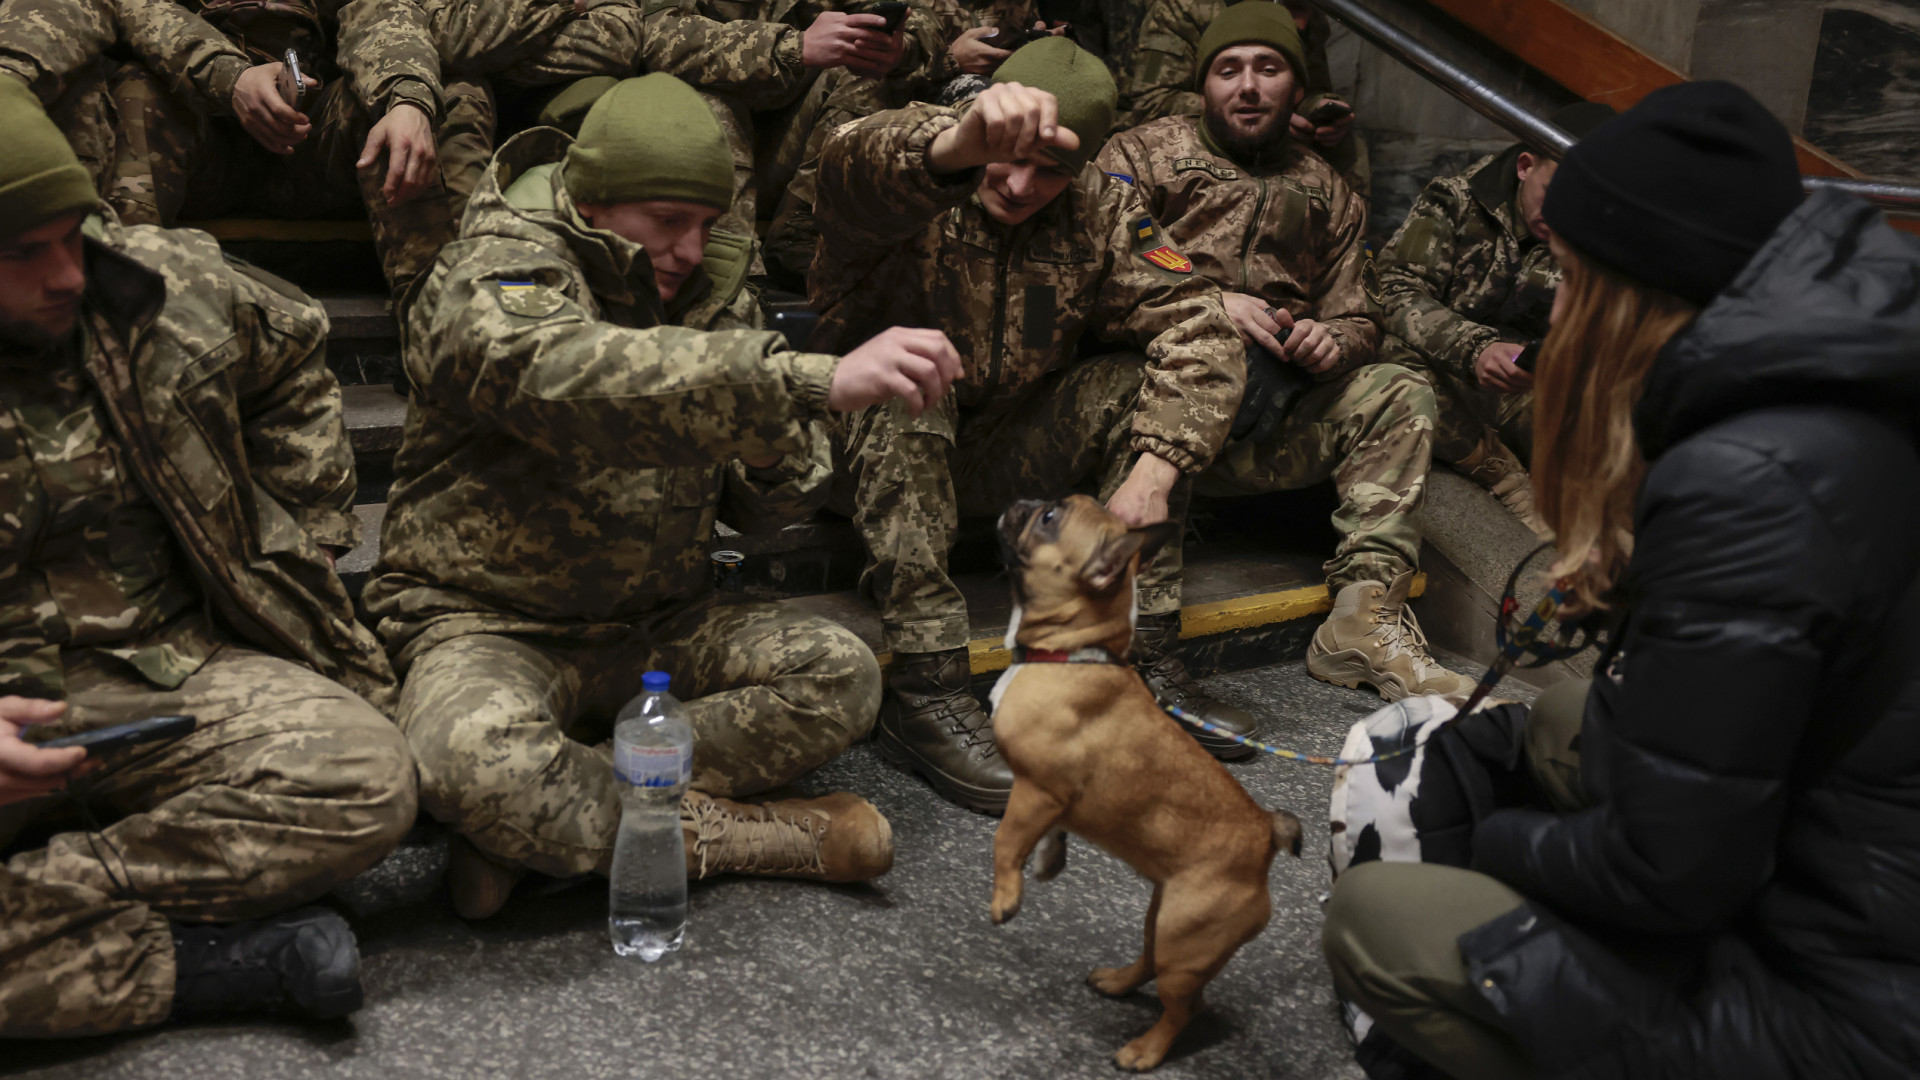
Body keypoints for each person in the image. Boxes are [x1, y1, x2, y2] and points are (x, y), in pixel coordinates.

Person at [1322, 81, 1920, 1079]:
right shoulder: (1842, 384)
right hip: (1855, 863)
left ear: (1640, 287)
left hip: (1853, 1009)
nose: (1557, 302)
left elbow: (1672, 871)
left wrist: (1493, 847)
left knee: (1384, 921)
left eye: (1568, 273)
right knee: (1558, 721)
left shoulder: (1750, 485)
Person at [365, 74, 961, 920]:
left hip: (656, 623)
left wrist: (766, 459)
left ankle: (539, 831)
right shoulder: (496, 267)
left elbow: (771, 506)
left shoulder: (711, 288)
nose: (690, 248)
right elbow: (564, 377)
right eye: (668, 223)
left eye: (709, 225)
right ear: (592, 200)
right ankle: (746, 835)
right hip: (489, 620)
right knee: (471, 760)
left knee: (840, 674)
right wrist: (803, 376)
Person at [0, 82, 416, 1037]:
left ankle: (61, 903)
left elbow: (297, 346)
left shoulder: (153, 283)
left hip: (166, 667)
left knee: (367, 778)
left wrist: (304, 525)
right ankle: (211, 962)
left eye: (72, 234)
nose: (68, 273)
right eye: (25, 252)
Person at [810, 37, 1250, 815]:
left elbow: (1202, 329)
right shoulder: (918, 162)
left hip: (993, 452)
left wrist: (1156, 467)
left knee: (1134, 393)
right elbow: (849, 166)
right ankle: (928, 688)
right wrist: (958, 144)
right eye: (1008, 159)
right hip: (857, 450)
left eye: (1051, 171)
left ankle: (1140, 654)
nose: (1019, 184)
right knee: (911, 374)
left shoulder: (1101, 210)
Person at [1099, 2, 1471, 704]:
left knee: (1399, 389)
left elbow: (1360, 311)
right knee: (1151, 379)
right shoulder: (1140, 153)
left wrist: (1333, 339)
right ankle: (1141, 640)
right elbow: (1098, 275)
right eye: (1228, 69)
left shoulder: (1327, 187)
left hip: (1272, 418)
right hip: (1158, 417)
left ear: (1295, 89)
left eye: (1268, 69)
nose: (1247, 86)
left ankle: (1363, 619)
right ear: (1203, 82)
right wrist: (1207, 304)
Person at [0, 0, 494, 309]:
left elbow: (382, 12)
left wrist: (405, 98)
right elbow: (135, 10)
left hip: (310, 142)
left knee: (442, 95)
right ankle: (129, 320)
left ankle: (444, 331)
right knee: (135, 91)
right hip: (198, 140)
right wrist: (230, 78)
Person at [1376, 101, 1617, 538]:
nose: (1566, 215)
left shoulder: (1598, 229)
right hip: (1443, 364)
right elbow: (1394, 289)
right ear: (1525, 166)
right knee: (1385, 362)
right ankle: (1497, 469)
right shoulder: (1455, 200)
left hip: (1526, 382)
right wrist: (1475, 348)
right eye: (1556, 195)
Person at [1121, 0, 1367, 197]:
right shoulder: (1184, 7)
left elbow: (1307, 86)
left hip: (1277, 136)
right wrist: (1244, 110)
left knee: (1350, 146)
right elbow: (1152, 101)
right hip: (1202, 127)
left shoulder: (1305, 12)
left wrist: (1319, 109)